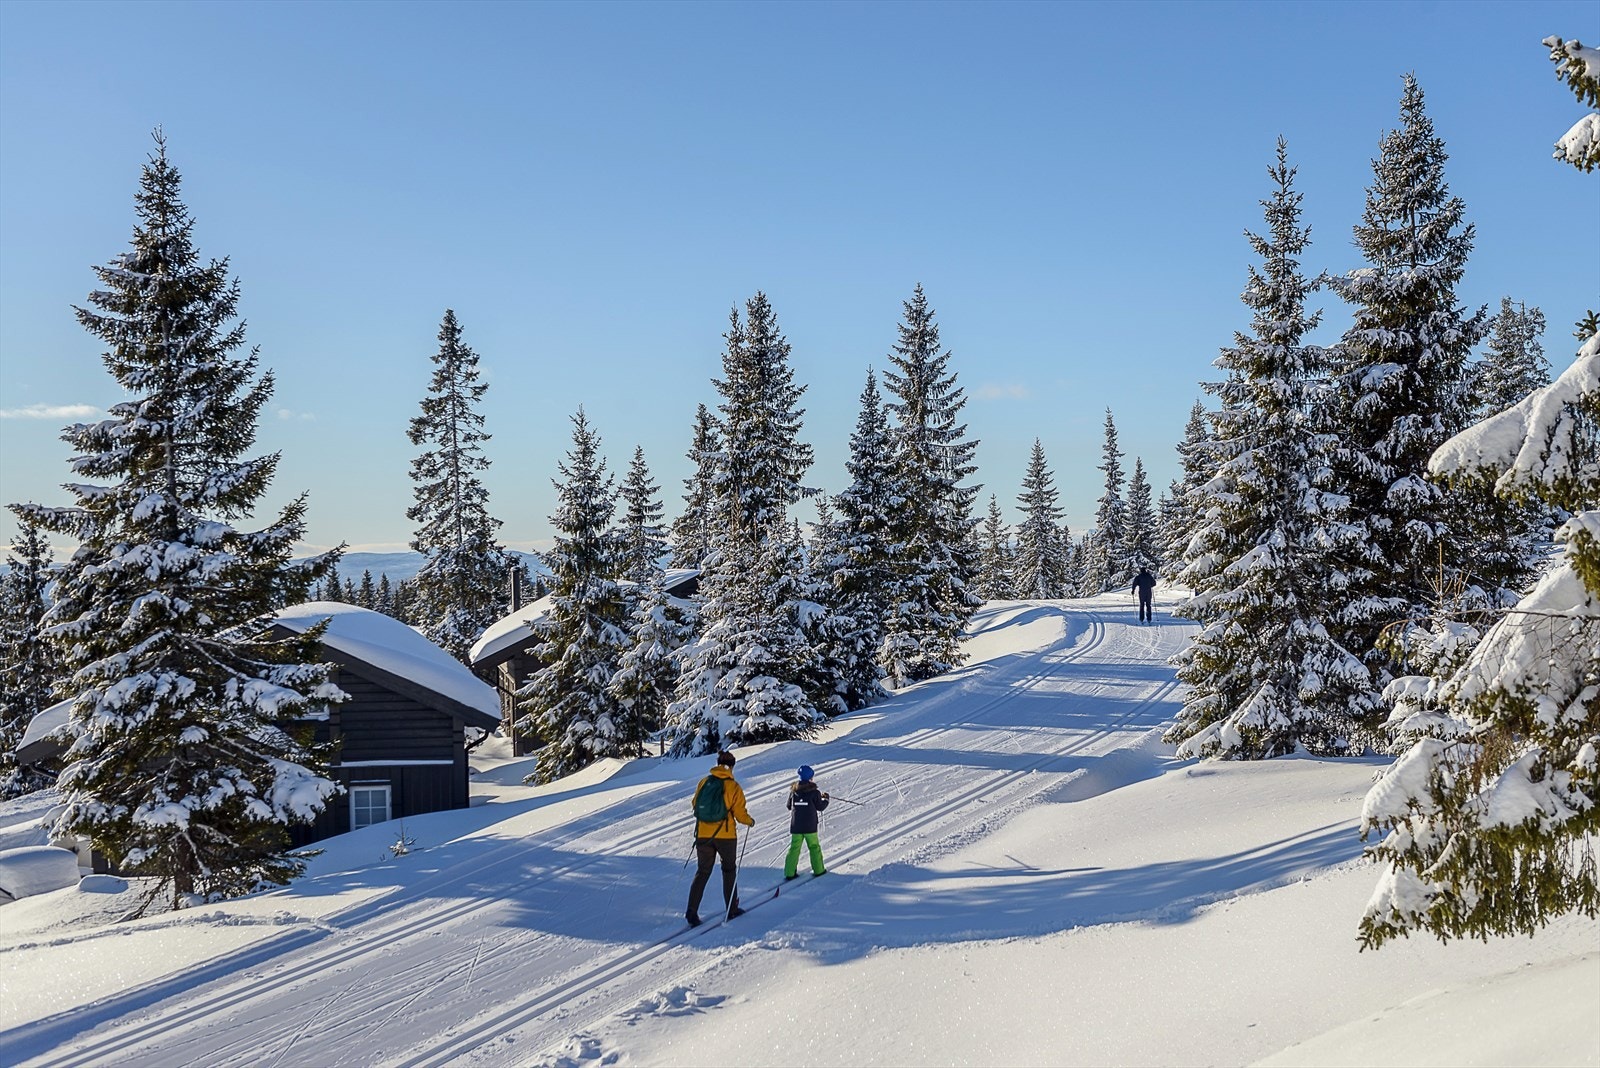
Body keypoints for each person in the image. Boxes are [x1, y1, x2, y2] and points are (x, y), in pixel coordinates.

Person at [685, 750, 754, 926]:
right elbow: (739, 813)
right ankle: (731, 909)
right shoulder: (733, 786)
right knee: (729, 870)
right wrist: (749, 821)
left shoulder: (704, 782)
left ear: (717, 764)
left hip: (703, 834)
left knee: (702, 872)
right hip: (725, 835)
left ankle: (691, 912)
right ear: (731, 766)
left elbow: (695, 804)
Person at [784, 765, 830, 880]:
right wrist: (826, 799)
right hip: (810, 827)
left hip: (796, 826)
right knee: (814, 847)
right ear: (810, 778)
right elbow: (820, 807)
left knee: (794, 848)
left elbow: (789, 806)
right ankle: (819, 870)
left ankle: (789, 872)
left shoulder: (793, 792)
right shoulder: (814, 792)